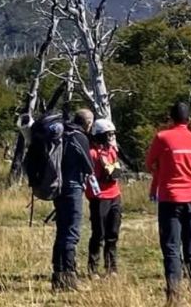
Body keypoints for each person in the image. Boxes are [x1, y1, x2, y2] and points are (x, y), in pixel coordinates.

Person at [145, 102, 191, 302]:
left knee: (171, 247)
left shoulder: (162, 137)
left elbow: (149, 163)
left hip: (170, 199)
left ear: (170, 118)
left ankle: (174, 294)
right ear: (188, 119)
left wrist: (160, 169)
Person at [51, 108, 95, 291]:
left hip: (57, 187)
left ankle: (57, 276)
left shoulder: (62, 134)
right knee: (72, 233)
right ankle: (69, 277)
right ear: (88, 122)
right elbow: (89, 167)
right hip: (73, 188)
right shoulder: (79, 137)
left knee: (61, 231)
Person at [86, 118, 123, 277]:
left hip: (115, 195)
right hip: (99, 197)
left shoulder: (113, 151)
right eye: (108, 135)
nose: (111, 138)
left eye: (112, 134)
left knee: (113, 233)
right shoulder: (92, 153)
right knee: (98, 234)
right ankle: (93, 268)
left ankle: (111, 267)